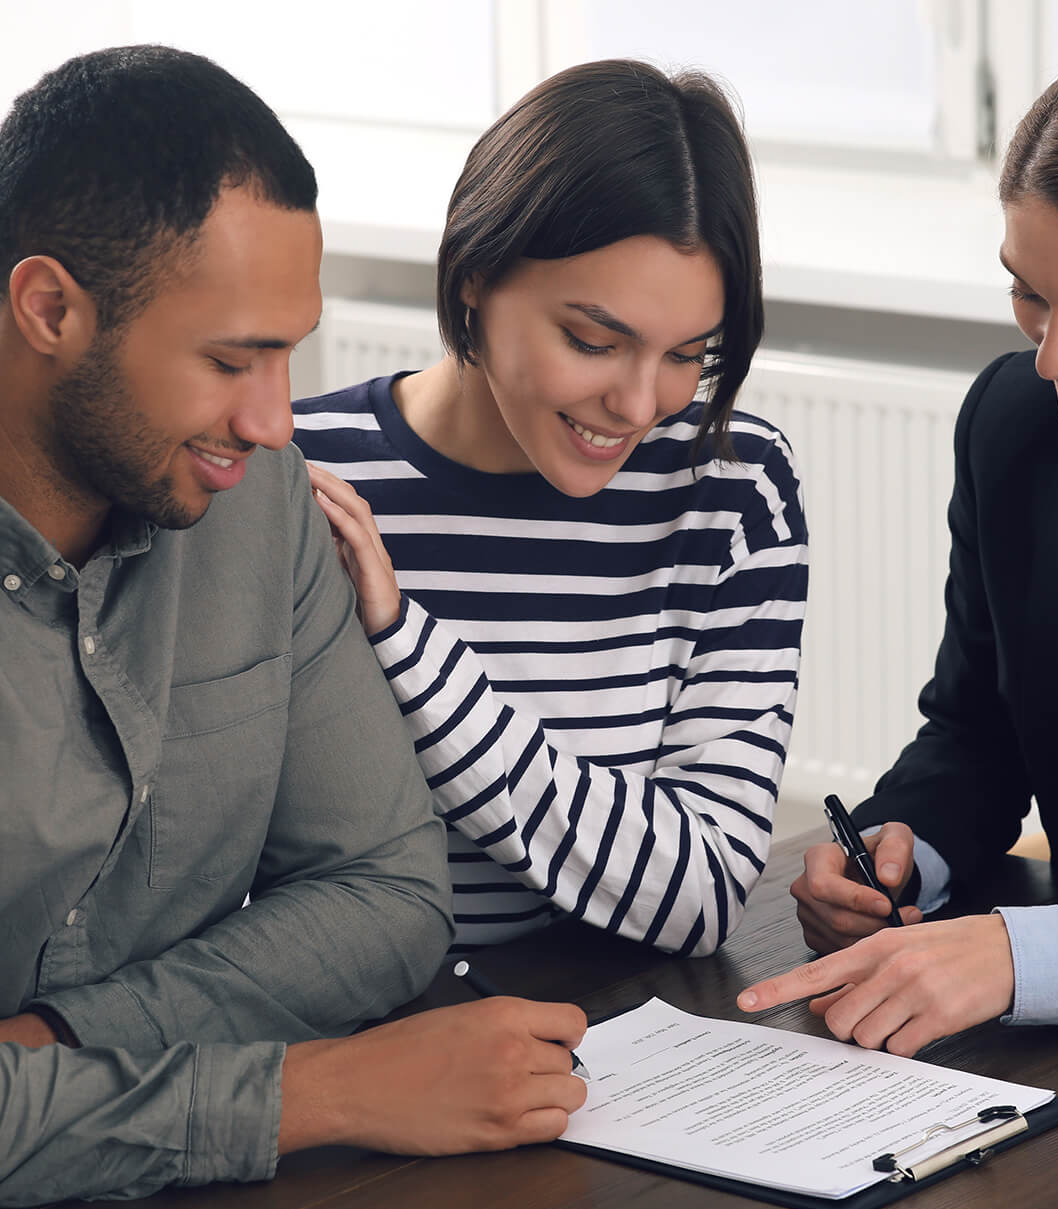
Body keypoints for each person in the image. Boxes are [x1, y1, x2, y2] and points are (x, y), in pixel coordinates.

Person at [0, 46, 583, 1207]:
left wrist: (53, 1046)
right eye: (230, 359)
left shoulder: (252, 501)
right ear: (49, 307)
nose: (275, 420)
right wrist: (317, 1091)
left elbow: (386, 894)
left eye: (287, 353)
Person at [739, 24, 1058, 1054]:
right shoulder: (1015, 427)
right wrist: (897, 851)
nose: (1053, 354)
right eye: (1028, 292)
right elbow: (978, 727)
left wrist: (1019, 954)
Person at [295, 60, 808, 957]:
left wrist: (405, 648)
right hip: (358, 1043)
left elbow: (702, 893)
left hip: (611, 1044)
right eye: (593, 341)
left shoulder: (732, 486)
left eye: (691, 353)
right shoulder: (302, 481)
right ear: (474, 279)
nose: (641, 403)